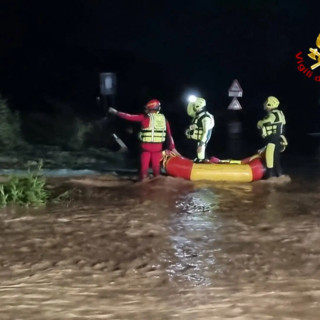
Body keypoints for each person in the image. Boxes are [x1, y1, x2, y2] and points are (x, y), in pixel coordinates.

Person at [109, 99, 179, 180]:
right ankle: (158, 182)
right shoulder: (164, 119)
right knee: (156, 169)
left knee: (144, 169)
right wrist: (172, 147)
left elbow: (129, 116)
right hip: (158, 148)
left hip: (146, 147)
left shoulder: (144, 117)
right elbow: (169, 135)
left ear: (149, 108)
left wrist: (116, 112)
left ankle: (143, 181)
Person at [257, 96, 287, 178]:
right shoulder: (280, 113)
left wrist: (259, 123)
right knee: (276, 161)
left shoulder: (273, 115)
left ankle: (270, 180)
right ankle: (280, 176)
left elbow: (264, 123)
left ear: (270, 104)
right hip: (278, 140)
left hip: (272, 141)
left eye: (266, 102)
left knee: (269, 161)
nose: (265, 104)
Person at [185, 96, 215, 163]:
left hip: (202, 139)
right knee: (198, 155)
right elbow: (189, 112)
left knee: (200, 155)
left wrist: (201, 144)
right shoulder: (198, 115)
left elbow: (205, 131)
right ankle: (203, 159)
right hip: (197, 138)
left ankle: (204, 162)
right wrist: (190, 103)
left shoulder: (205, 117)